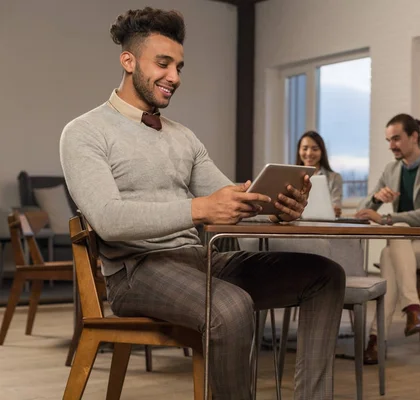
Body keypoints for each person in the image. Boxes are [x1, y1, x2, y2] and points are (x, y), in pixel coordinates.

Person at [59, 8, 345, 399]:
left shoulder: (184, 138)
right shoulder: (84, 132)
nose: (174, 77)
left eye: (179, 66)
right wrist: (200, 208)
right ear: (128, 61)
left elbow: (230, 201)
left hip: (201, 259)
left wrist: (277, 207)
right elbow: (108, 219)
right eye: (163, 64)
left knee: (325, 276)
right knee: (230, 308)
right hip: (135, 271)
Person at [355, 113, 420, 364]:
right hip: (405, 245)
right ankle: (413, 311)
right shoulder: (391, 170)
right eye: (389, 140)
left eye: (397, 139)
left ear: (414, 137)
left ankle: (376, 340)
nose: (391, 145)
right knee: (391, 253)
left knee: (392, 242)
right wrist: (377, 199)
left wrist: (387, 220)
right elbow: (362, 211)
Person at [296, 131, 343, 217]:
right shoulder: (291, 176)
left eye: (315, 149)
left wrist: (334, 210)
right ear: (299, 150)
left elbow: (336, 208)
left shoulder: (334, 178)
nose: (309, 153)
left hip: (324, 226)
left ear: (322, 152)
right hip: (296, 225)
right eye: (305, 148)